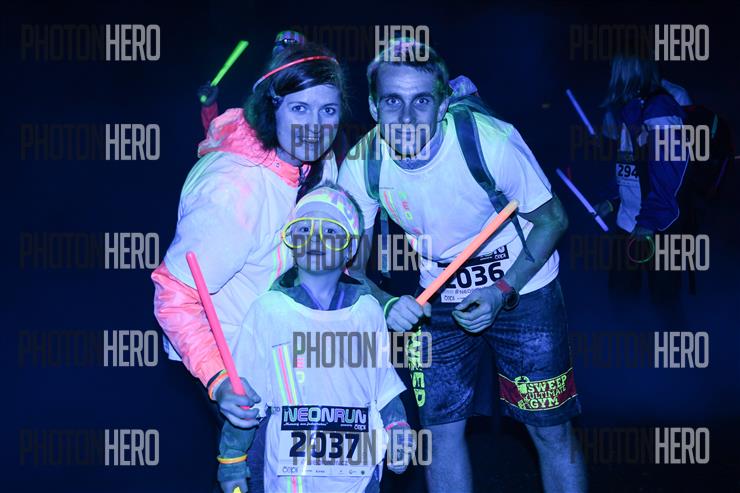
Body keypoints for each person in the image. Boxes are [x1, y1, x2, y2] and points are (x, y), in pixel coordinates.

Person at [337, 39, 585, 493]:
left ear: (443, 105)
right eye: (392, 101)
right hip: (438, 296)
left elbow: (553, 219)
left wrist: (502, 291)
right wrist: (386, 301)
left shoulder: (491, 141)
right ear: (373, 107)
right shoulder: (361, 164)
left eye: (421, 101)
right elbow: (350, 268)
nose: (406, 118)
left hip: (522, 286)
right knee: (438, 434)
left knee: (549, 429)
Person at [152, 42, 347, 492]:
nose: (315, 127)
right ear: (271, 107)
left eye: (328, 110)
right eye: (299, 108)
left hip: (285, 354)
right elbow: (173, 293)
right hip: (236, 367)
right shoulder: (233, 191)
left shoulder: (316, 164)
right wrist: (219, 380)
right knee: (257, 477)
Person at [216, 184, 413, 493]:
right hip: (291, 480)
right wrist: (231, 461)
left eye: (330, 231)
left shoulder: (367, 311)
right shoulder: (268, 311)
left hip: (359, 478)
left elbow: (383, 388)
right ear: (291, 241)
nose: (315, 239)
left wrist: (398, 429)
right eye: (304, 229)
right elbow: (246, 398)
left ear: (350, 248)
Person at [594, 53, 689, 305]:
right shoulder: (623, 104)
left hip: (660, 225)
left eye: (617, 65)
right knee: (620, 299)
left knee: (665, 302)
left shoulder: (665, 103)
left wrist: (651, 219)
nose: (612, 71)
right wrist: (612, 200)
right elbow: (624, 162)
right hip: (628, 220)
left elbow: (670, 171)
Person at [198, 31, 308, 136]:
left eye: (294, 54)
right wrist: (209, 107)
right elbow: (218, 138)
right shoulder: (260, 98)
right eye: (280, 54)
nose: (285, 63)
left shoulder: (312, 93)